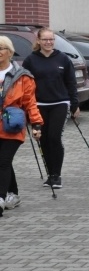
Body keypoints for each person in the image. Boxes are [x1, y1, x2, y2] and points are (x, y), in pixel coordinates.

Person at [21, 28, 79, 189]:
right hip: (38, 105)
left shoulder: (63, 59)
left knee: (54, 137)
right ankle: (49, 173)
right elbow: (24, 84)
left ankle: (56, 175)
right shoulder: (31, 60)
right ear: (38, 41)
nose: (48, 42)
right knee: (43, 139)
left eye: (51, 39)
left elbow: (71, 82)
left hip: (60, 103)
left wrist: (75, 104)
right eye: (45, 39)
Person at [0, 36, 43, 216]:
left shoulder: (22, 76)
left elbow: (30, 102)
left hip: (12, 125)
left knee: (3, 161)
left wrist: (37, 124)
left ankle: (1, 198)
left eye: (1, 48)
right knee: (4, 162)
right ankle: (14, 194)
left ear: (10, 52)